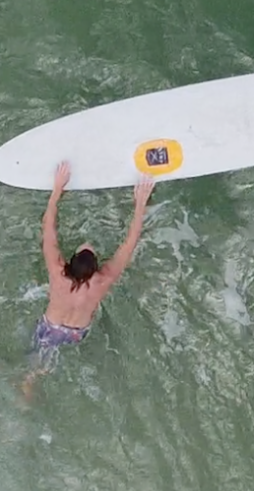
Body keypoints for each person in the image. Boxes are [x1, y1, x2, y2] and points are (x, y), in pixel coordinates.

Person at [21, 161, 155, 400]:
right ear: (96, 269)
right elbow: (129, 243)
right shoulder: (102, 281)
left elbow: (48, 229)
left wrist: (57, 190)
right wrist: (140, 203)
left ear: (70, 262)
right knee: (52, 359)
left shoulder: (57, 272)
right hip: (76, 334)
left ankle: (29, 388)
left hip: (49, 328)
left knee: (35, 368)